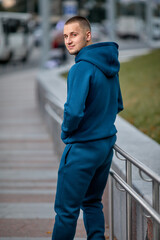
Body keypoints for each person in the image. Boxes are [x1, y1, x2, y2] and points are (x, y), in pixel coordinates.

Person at [52, 16, 123, 240]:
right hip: (104, 147)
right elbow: (118, 104)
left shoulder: (81, 69)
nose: (68, 41)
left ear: (88, 35)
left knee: (65, 211)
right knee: (92, 203)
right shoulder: (110, 66)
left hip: (82, 149)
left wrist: (66, 134)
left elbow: (73, 112)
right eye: (65, 36)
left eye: (74, 34)